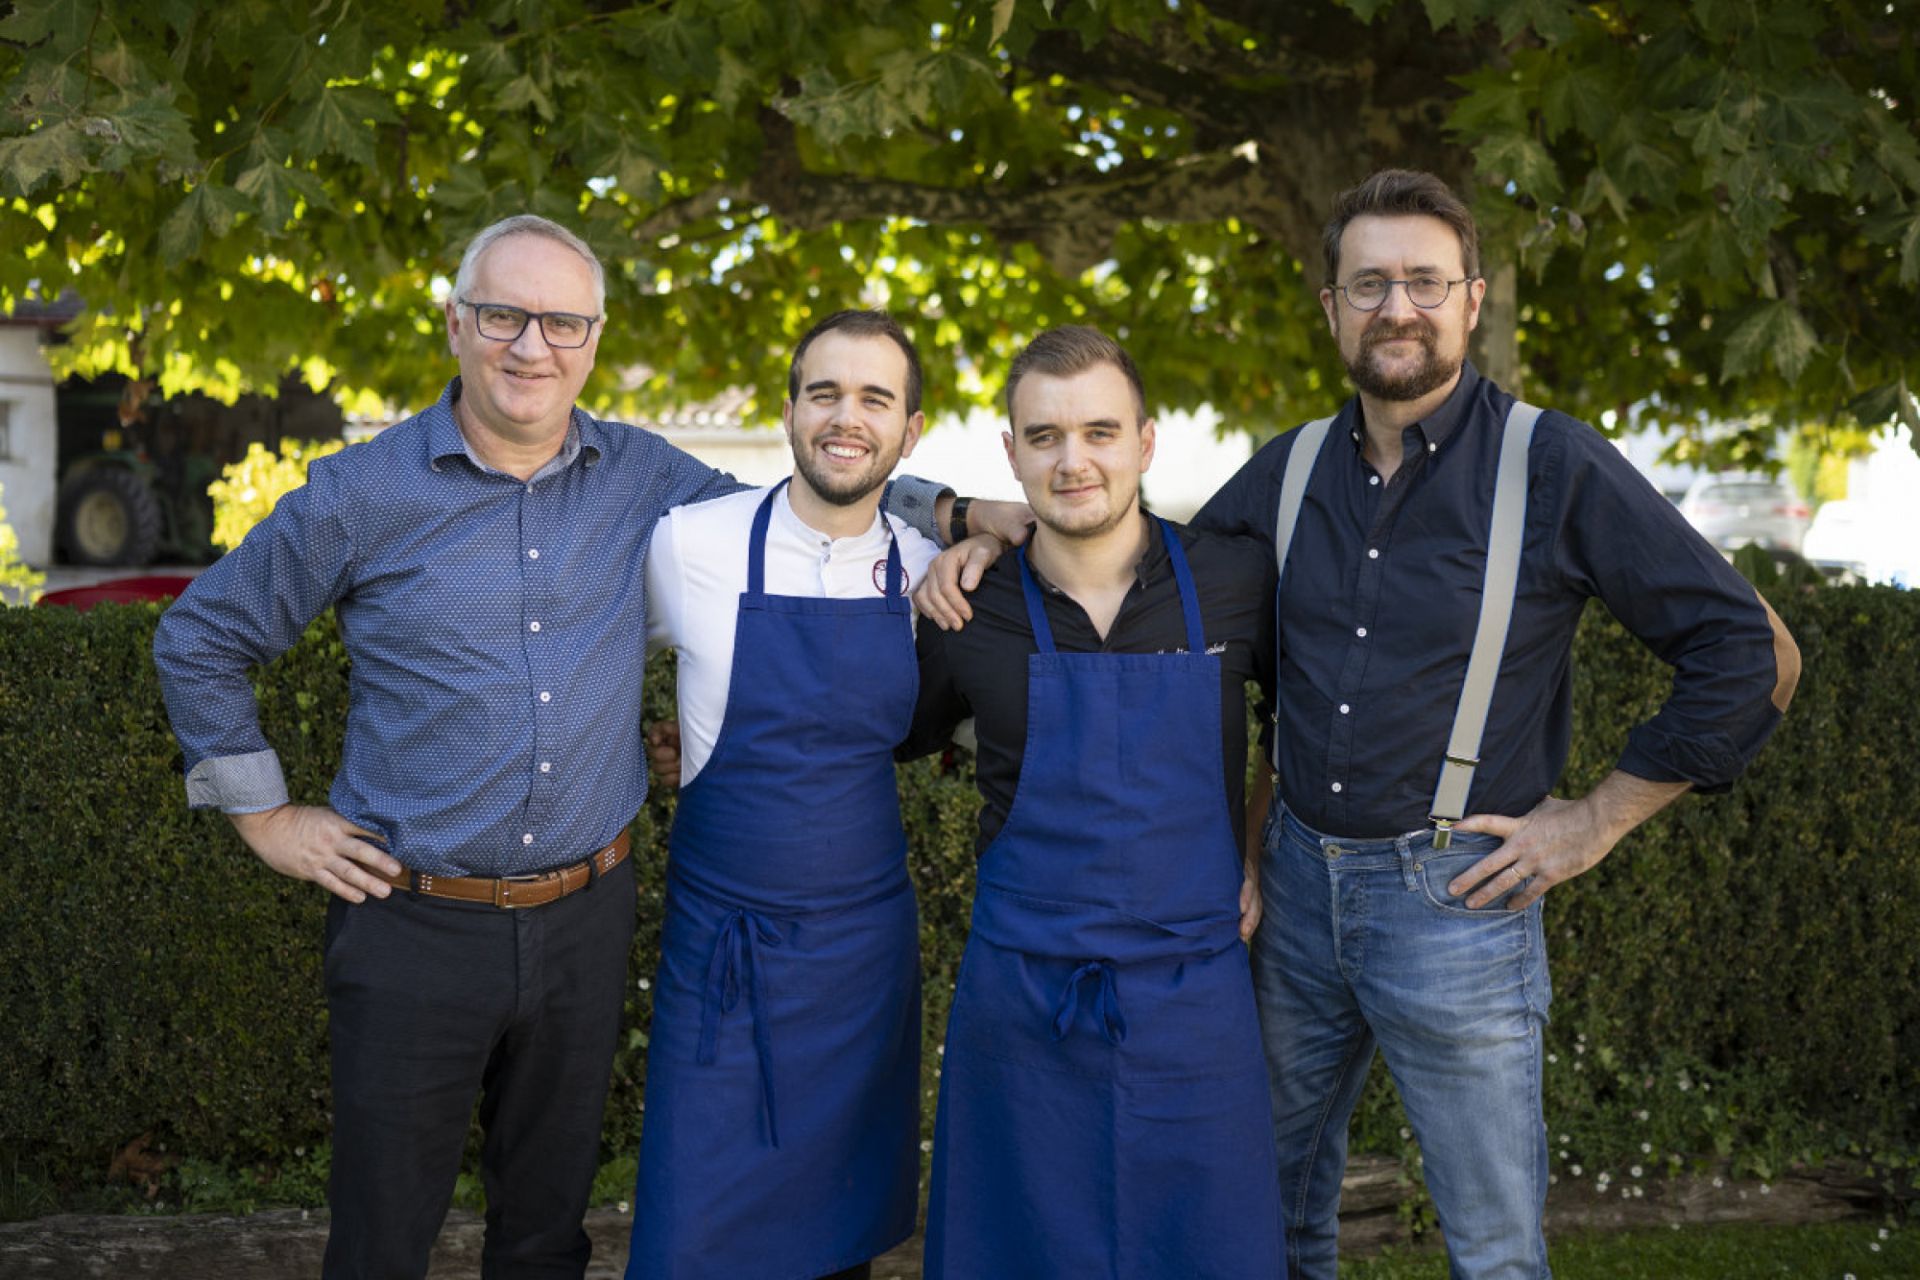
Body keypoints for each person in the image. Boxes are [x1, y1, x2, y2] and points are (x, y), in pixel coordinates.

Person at [150, 216, 994, 1279]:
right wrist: (265, 814)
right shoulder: (363, 493)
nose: (530, 345)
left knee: (546, 1235)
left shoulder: (650, 482)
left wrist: (964, 508)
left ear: (593, 339)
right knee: (380, 1237)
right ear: (457, 323)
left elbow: (819, 499)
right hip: (412, 920)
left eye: (561, 321)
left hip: (586, 919)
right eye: (503, 314)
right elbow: (202, 635)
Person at [1185, 169, 1803, 1278]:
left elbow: (1754, 655)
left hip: (1456, 908)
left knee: (1495, 1254)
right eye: (1368, 282)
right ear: (1330, 307)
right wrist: (977, 529)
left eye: (1425, 279)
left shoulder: (1552, 462)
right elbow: (1154, 606)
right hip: (1291, 900)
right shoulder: (1286, 473)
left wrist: (1595, 820)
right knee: (1260, 1223)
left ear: (1472, 299)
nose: (1397, 306)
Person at [900, 326, 1284, 1279]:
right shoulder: (968, 607)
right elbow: (888, 734)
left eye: (1101, 432)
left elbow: (1299, 722)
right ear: (1012, 454)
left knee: (1204, 1251)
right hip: (1021, 1003)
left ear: (1145, 443)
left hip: (1194, 999)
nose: (1074, 461)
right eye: (1045, 437)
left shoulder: (1235, 581)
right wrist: (946, 527)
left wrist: (1254, 850)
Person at [623, 311, 938, 1280]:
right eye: (825, 392)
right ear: (790, 409)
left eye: (875, 398)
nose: (847, 417)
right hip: (723, 950)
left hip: (863, 960)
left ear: (911, 431)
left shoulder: (931, 573)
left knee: (836, 1238)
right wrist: (642, 754)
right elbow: (576, 675)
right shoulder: (688, 545)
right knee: (695, 1233)